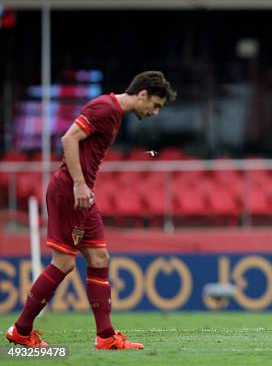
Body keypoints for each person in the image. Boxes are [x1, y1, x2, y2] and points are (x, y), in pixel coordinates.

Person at [6, 71, 177, 348]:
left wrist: (83, 187)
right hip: (71, 191)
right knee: (64, 263)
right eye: (156, 105)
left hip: (84, 195)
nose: (155, 112)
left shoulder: (114, 114)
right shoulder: (105, 108)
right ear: (143, 95)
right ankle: (21, 331)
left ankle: (106, 337)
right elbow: (68, 139)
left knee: (99, 258)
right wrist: (78, 184)